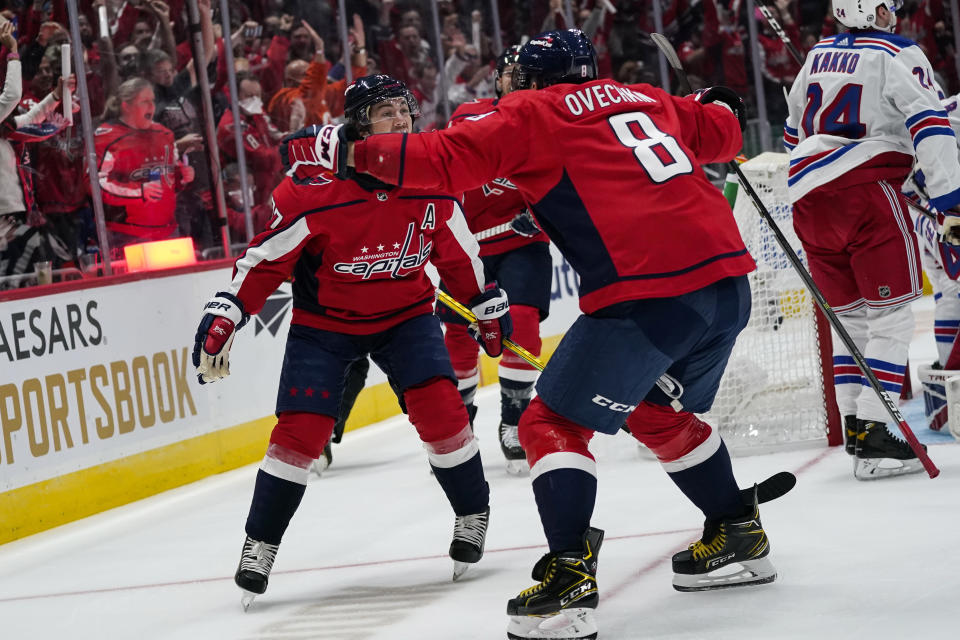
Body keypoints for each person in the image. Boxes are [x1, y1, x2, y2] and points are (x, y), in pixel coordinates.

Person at [282, 29, 784, 640]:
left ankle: (568, 574)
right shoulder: (645, 96)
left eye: (516, 76)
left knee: (546, 424)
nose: (509, 86)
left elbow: (439, 160)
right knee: (653, 409)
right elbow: (724, 130)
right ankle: (736, 529)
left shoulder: (532, 113)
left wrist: (352, 153)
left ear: (532, 80)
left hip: (649, 293)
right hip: (728, 286)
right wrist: (719, 100)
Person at [193, 74, 511, 607]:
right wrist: (229, 308)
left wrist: (482, 299)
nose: (403, 121)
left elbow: (456, 251)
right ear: (360, 123)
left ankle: (472, 513)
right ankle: (259, 545)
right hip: (325, 326)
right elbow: (265, 261)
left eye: (406, 111)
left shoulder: (430, 178)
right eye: (387, 113)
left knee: (445, 414)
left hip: (407, 317)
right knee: (300, 434)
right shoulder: (313, 189)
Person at [783, 0, 960, 479]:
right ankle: (876, 429)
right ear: (867, 11)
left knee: (851, 319)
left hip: (808, 200)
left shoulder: (817, 54)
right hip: (867, 193)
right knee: (892, 319)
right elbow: (930, 123)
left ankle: (856, 424)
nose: (893, 15)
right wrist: (951, 199)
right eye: (885, 7)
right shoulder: (897, 52)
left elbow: (791, 132)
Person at [438, 44, 552, 475]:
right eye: (513, 73)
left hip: (523, 245)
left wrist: (541, 210)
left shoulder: (550, 118)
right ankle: (460, 420)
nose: (520, 80)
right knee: (458, 336)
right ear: (500, 78)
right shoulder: (471, 112)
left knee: (521, 324)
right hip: (469, 250)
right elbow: (463, 143)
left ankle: (514, 416)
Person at [93, 77, 195, 248]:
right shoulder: (107, 136)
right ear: (126, 106)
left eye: (153, 101)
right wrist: (139, 192)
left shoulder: (164, 134)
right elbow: (96, 184)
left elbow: (172, 180)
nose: (152, 107)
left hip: (169, 231)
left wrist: (183, 176)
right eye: (145, 101)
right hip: (127, 234)